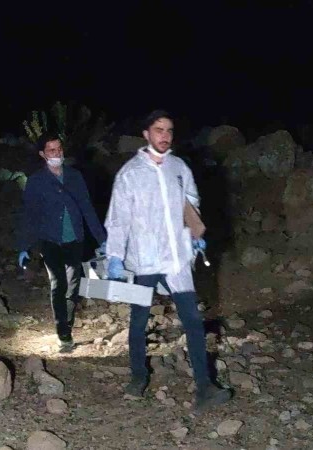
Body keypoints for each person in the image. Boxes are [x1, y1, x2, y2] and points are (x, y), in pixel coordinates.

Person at [104, 110, 232, 413]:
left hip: (177, 258)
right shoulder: (130, 174)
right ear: (146, 134)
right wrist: (114, 256)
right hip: (144, 259)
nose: (165, 136)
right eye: (159, 130)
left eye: (169, 130)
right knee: (139, 320)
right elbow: (119, 218)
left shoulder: (179, 167)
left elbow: (191, 202)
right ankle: (138, 376)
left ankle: (205, 386)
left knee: (193, 321)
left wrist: (195, 233)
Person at [16, 131, 106, 353]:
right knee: (58, 283)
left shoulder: (75, 177)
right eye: (51, 150)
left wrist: (103, 239)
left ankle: (68, 323)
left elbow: (87, 208)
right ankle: (63, 332)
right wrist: (24, 246)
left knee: (72, 285)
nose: (57, 154)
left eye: (59, 149)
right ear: (42, 154)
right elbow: (29, 215)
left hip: (74, 239)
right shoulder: (37, 181)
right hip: (50, 240)